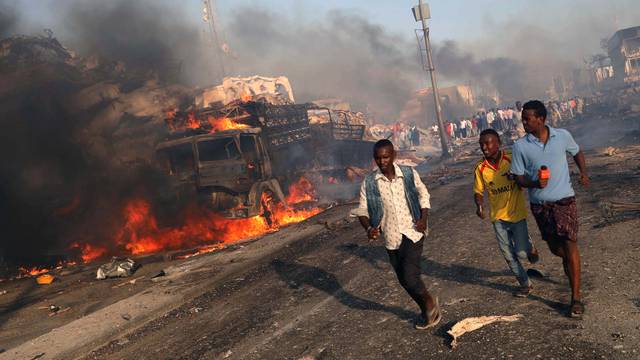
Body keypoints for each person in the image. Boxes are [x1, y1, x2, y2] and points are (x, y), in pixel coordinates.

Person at [511, 100, 589, 318]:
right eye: (523, 118)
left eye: (528, 118)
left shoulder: (562, 135)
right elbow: (518, 177)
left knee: (571, 244)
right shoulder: (520, 146)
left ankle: (576, 298)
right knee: (557, 249)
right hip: (540, 205)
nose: (524, 122)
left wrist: (583, 173)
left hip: (565, 200)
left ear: (541, 119)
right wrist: (534, 183)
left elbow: (577, 152)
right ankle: (569, 264)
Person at [353, 139, 441, 330]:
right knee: (403, 279)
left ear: (393, 156)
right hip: (391, 237)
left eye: (385, 157)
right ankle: (425, 307)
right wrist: (369, 228)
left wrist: (424, 218)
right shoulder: (369, 182)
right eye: (378, 158)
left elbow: (423, 194)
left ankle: (429, 304)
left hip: (413, 231)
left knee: (410, 276)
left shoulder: (408, 174)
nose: (382, 161)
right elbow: (362, 210)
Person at [474, 129, 539, 296]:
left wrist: (517, 178)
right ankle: (525, 284)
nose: (484, 147)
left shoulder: (511, 158)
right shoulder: (480, 168)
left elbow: (525, 177)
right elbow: (478, 192)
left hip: (517, 214)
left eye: (488, 143)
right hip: (498, 217)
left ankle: (529, 246)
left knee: (521, 254)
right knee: (508, 254)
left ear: (498, 143)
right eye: (482, 144)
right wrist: (479, 206)